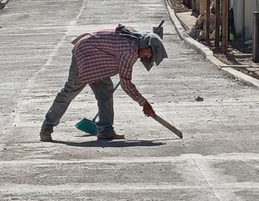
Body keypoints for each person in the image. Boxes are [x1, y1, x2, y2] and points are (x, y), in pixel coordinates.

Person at [38, 23, 167, 143]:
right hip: (84, 54)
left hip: (97, 61)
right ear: (145, 45)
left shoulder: (135, 41)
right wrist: (144, 103)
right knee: (69, 92)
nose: (146, 57)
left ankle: (106, 131)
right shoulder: (129, 49)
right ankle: (47, 128)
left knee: (105, 91)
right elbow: (126, 83)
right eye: (148, 54)